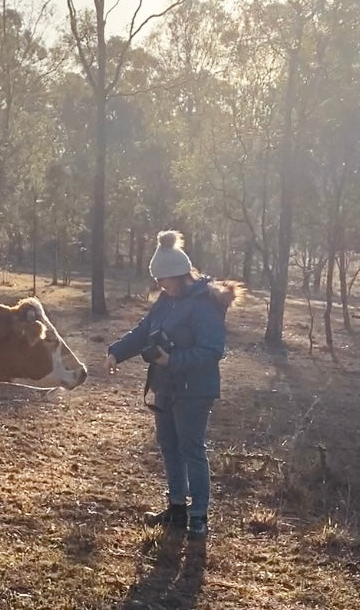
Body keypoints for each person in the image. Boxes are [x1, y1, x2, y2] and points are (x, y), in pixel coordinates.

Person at [105, 230, 243, 541]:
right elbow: (144, 331)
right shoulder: (167, 300)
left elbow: (212, 351)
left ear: (179, 276)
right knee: (169, 446)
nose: (159, 286)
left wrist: (172, 360)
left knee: (191, 449)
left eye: (163, 280)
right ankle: (177, 508)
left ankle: (199, 516)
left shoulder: (205, 303)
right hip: (165, 386)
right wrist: (116, 351)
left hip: (195, 389)